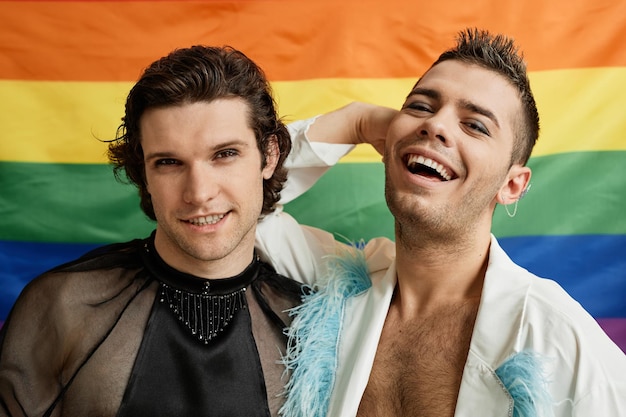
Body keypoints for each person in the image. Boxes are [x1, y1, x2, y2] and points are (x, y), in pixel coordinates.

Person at [0, 45, 393, 417]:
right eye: (169, 162)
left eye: (225, 154)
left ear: (270, 155)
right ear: (144, 173)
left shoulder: (317, 325)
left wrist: (357, 121)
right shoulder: (64, 304)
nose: (199, 194)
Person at [273, 29, 626, 417]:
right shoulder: (335, 293)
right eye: (421, 107)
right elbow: (232, 210)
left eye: (475, 125)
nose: (436, 125)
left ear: (512, 185)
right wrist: (355, 122)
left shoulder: (558, 337)